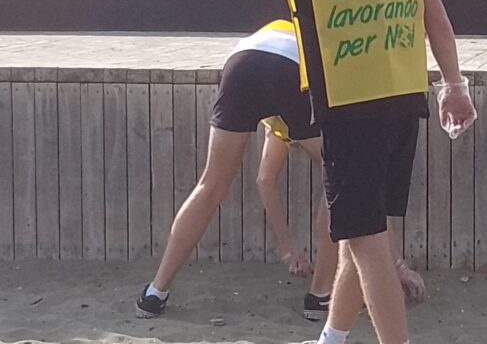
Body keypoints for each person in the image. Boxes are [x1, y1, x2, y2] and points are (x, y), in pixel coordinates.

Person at [196, 0, 476, 344]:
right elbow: (435, 17)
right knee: (361, 232)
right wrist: (454, 84)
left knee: (368, 244)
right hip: (403, 99)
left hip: (349, 107)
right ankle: (332, 338)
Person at [135, 20, 425, 322]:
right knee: (342, 181)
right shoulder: (333, 74)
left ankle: (155, 293)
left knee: (211, 184)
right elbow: (360, 186)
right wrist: (398, 266)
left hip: (242, 61)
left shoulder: (278, 121)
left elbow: (265, 179)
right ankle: (320, 295)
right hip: (293, 68)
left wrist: (288, 250)